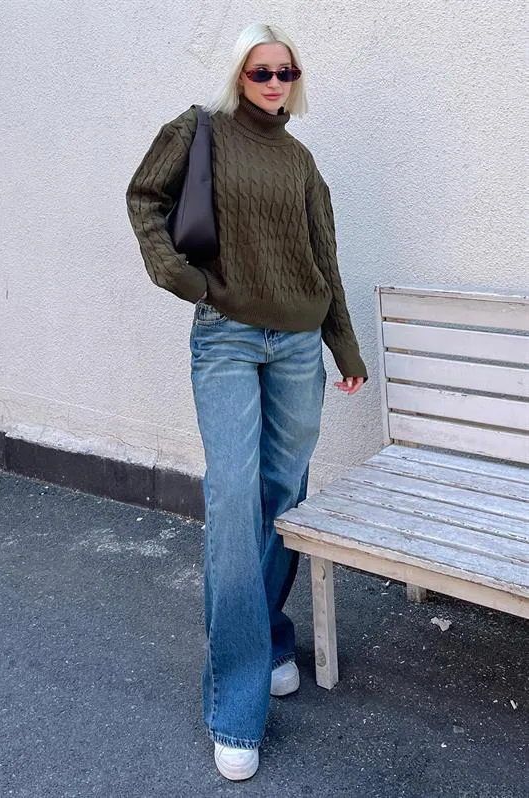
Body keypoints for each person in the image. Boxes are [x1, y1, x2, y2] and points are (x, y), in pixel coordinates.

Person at [126, 22, 367, 782]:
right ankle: (236, 704)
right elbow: (145, 199)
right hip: (227, 340)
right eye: (261, 72)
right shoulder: (199, 129)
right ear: (240, 75)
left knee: (282, 494)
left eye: (285, 72)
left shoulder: (300, 161)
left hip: (297, 347)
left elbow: (324, 257)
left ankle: (266, 634)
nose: (273, 83)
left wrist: (344, 347)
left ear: (296, 80)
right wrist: (182, 279)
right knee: (233, 500)